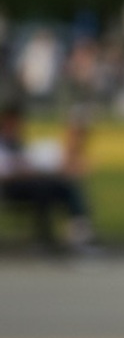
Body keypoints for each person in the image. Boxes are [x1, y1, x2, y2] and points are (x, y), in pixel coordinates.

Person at [0, 99, 98, 253]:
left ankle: (79, 231)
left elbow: (31, 162)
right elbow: (6, 172)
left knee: (65, 185)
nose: (17, 126)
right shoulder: (4, 144)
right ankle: (45, 237)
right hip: (10, 187)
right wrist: (25, 171)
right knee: (42, 187)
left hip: (30, 183)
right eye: (13, 122)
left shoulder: (18, 143)